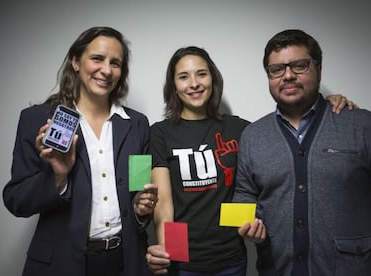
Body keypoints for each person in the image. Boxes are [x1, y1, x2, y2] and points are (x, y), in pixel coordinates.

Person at [144, 46, 356, 275]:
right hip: (182, 260)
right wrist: (168, 252)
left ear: (212, 79)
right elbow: (164, 203)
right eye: (183, 77)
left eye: (201, 74)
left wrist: (325, 104)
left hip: (231, 259)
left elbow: (284, 130)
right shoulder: (160, 133)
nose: (194, 83)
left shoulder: (240, 129)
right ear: (174, 86)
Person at [232, 29, 371, 276]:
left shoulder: (360, 125)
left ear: (318, 68)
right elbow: (244, 192)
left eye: (299, 65)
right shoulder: (253, 135)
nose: (287, 76)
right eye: (277, 69)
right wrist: (246, 222)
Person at [2, 26, 158, 276]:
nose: (106, 70)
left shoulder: (137, 124)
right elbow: (16, 200)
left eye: (115, 63)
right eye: (97, 58)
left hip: (125, 262)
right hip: (61, 263)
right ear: (75, 62)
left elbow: (139, 192)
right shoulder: (38, 120)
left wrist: (141, 211)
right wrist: (58, 177)